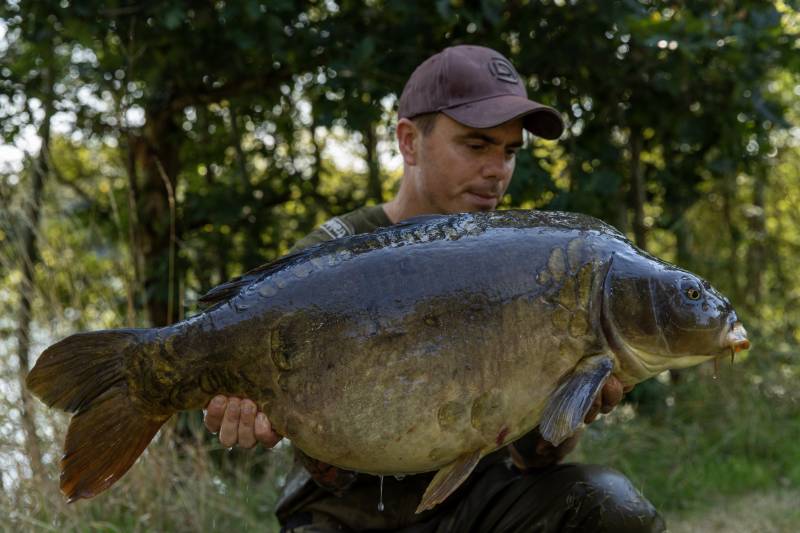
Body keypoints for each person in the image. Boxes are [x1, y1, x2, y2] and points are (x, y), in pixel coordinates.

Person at [203, 45, 666, 532]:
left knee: (611, 509)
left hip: (478, 500)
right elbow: (326, 468)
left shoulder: (529, 262)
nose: (498, 170)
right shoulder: (333, 256)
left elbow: (534, 460)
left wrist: (575, 405)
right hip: (348, 512)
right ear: (409, 141)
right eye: (476, 144)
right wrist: (259, 416)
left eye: (509, 151)